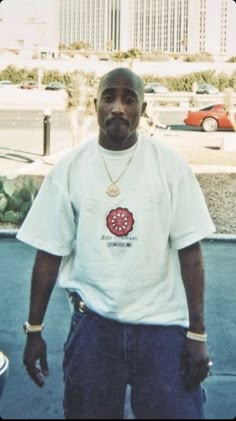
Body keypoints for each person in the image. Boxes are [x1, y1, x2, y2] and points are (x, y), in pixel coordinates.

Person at [17, 67, 215, 420]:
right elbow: (48, 255)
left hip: (163, 329)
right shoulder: (69, 169)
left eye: (129, 98)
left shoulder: (171, 168)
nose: (118, 107)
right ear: (96, 105)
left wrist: (197, 334)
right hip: (94, 328)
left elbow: (191, 256)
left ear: (143, 108)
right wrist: (34, 330)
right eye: (109, 97)